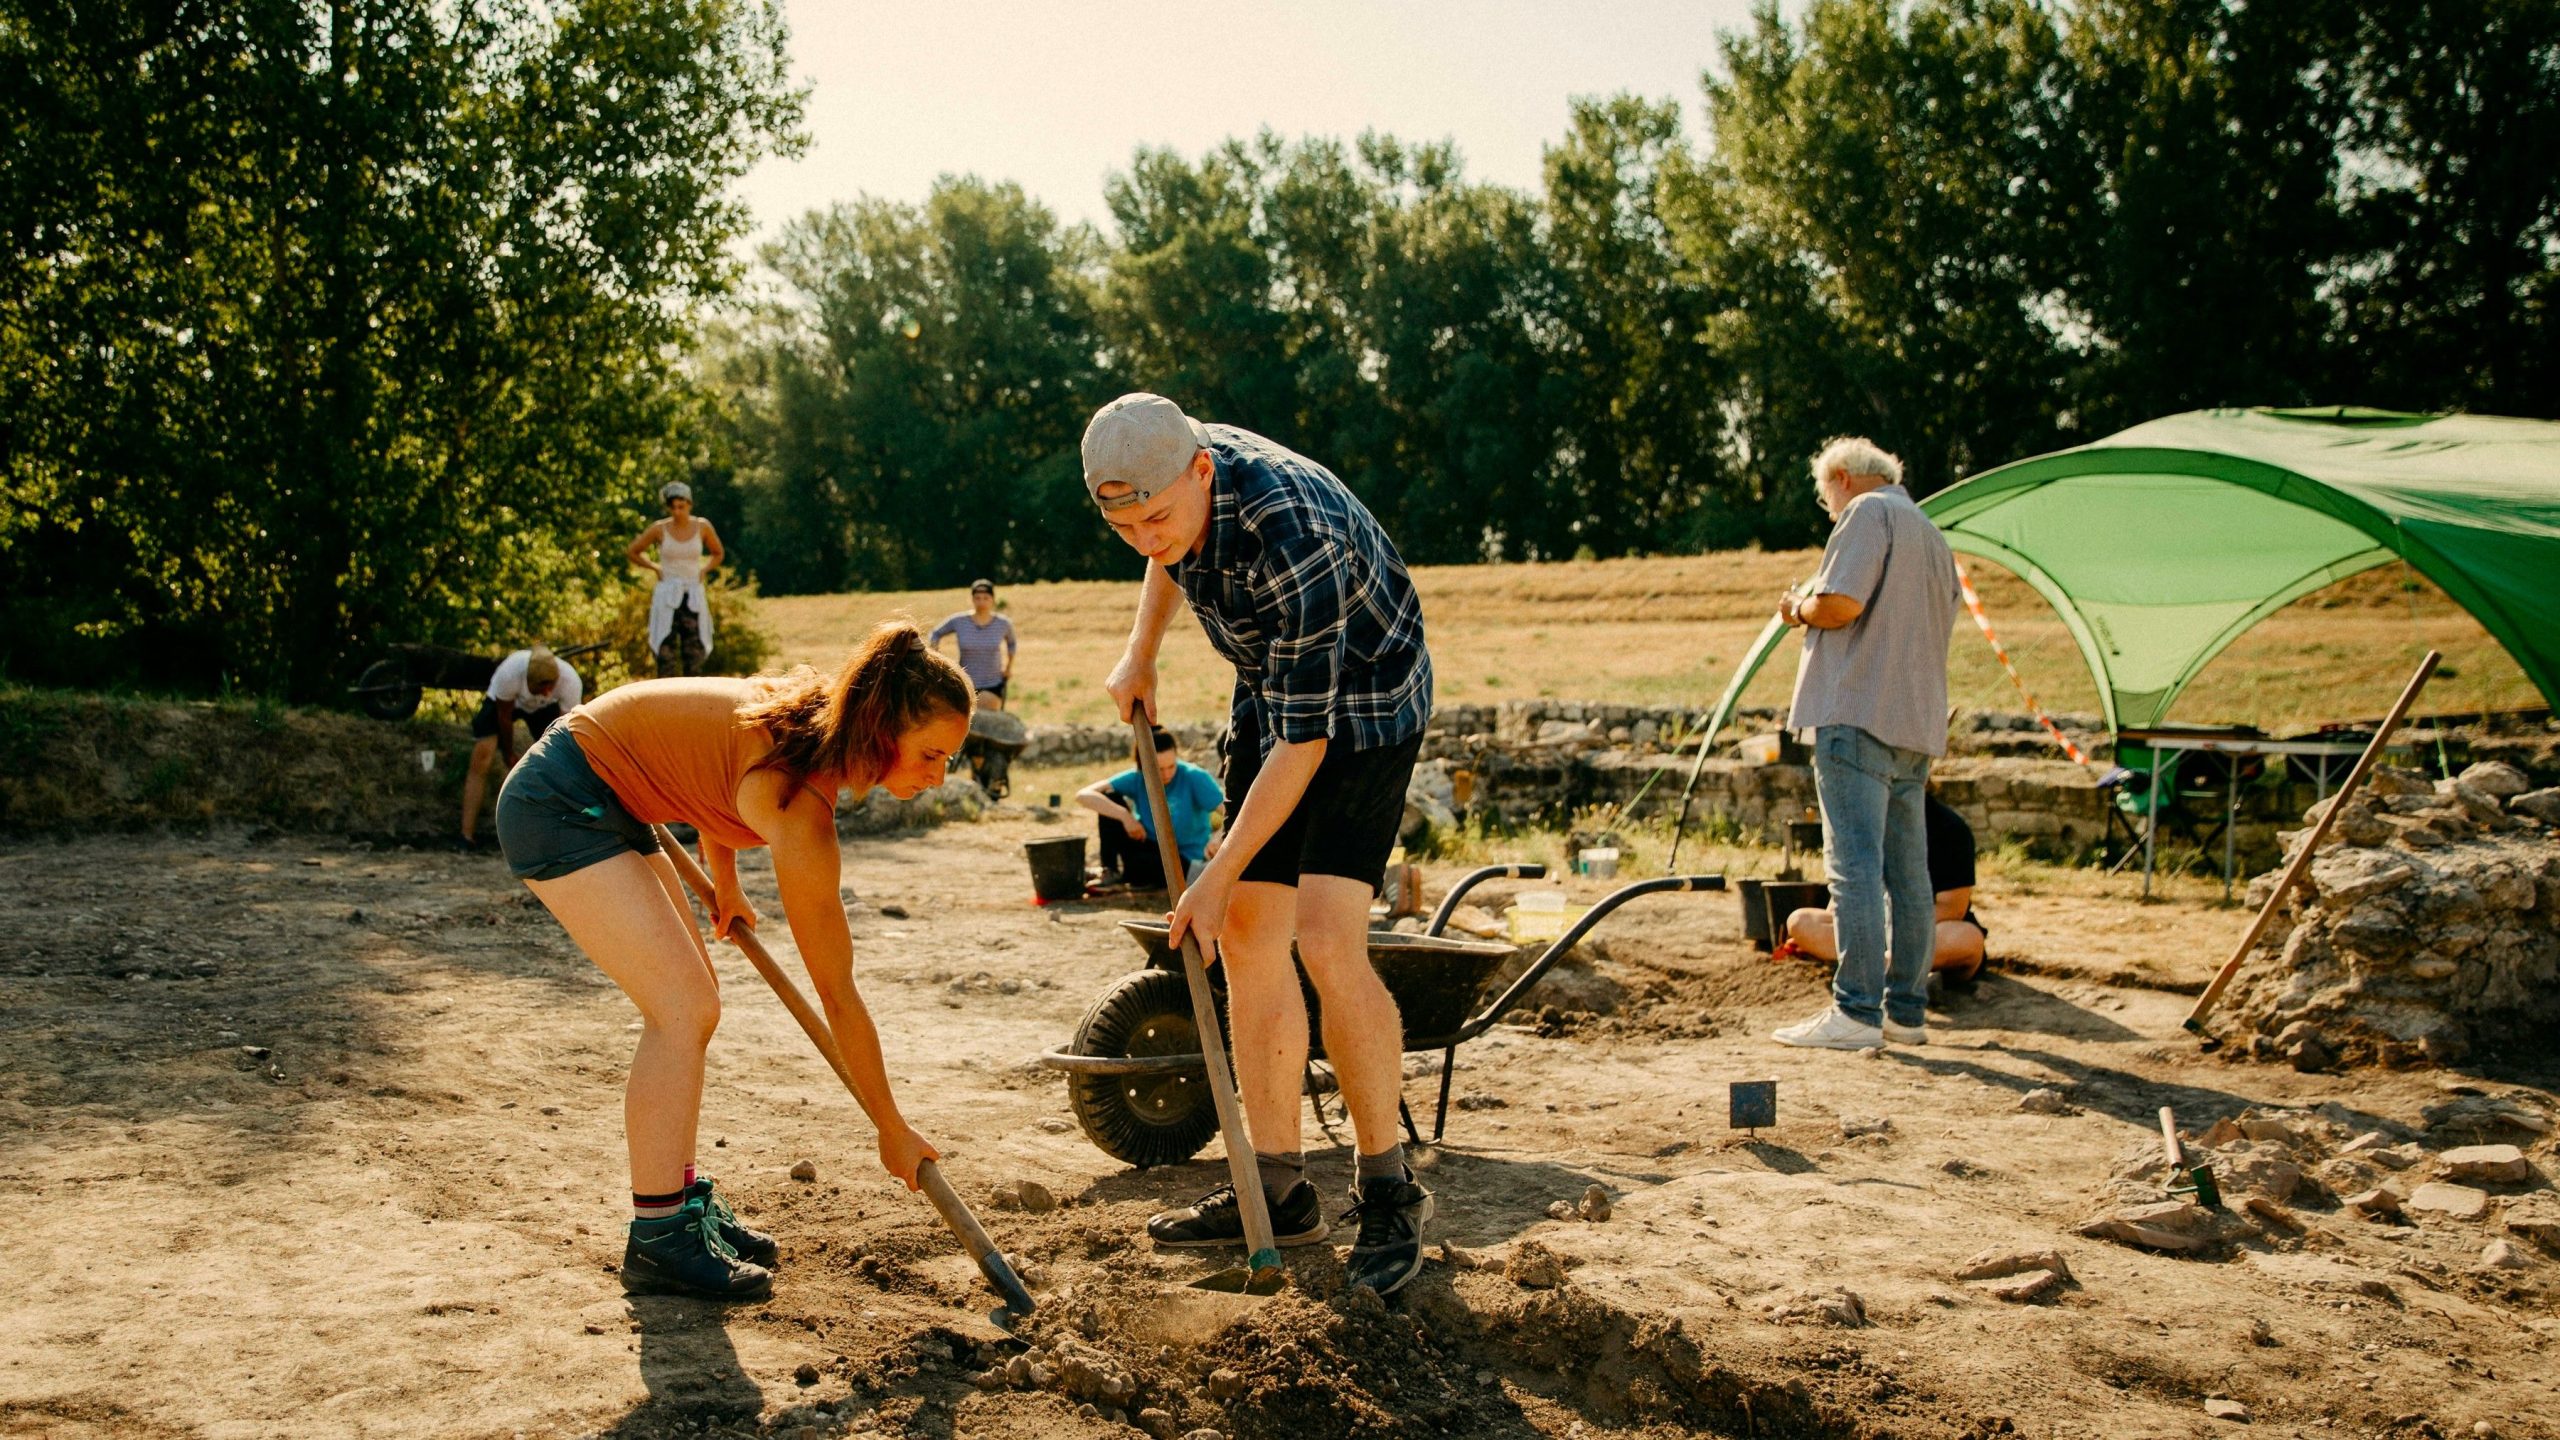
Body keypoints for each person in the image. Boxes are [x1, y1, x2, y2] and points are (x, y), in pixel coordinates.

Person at [493, 621, 971, 1300]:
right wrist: (891, 1129)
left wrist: (730, 882)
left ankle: (681, 1204)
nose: (938, 776)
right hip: (563, 801)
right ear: (880, 730)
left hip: (613, 793)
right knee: (682, 1009)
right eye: (930, 755)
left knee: (694, 1002)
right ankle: (660, 1238)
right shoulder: (798, 809)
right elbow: (836, 992)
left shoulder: (808, 717)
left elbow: (717, 771)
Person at [1083, 391, 1436, 1296]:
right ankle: (1278, 1190)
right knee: (1247, 936)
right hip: (1278, 690)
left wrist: (1214, 871)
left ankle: (1390, 1191)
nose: (1145, 535)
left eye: (1156, 515)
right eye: (1124, 524)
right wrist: (1143, 650)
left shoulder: (1294, 536)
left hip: (1366, 705)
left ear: (1201, 469)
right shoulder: (1170, 502)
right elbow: (1168, 553)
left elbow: (1308, 745)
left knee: (1324, 939)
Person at [1769, 436, 1959, 1052]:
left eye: (1826, 497)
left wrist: (1798, 607)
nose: (1828, 509)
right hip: (1916, 723)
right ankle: (1907, 1010)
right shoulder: (1932, 535)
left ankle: (1854, 1011)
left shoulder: (1866, 514)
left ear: (1844, 478)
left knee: (1852, 870)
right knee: (1910, 876)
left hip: (1858, 713)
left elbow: (1842, 604)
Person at [1779, 793, 1988, 988]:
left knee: (1968, 938)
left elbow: (1953, 908)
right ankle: (1884, 971)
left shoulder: (1949, 828)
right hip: (1869, 933)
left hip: (1922, 932)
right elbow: (1842, 896)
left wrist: (1894, 930)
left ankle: (1883, 969)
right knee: (1800, 921)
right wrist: (1824, 933)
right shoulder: (1860, 825)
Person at [459, 643, 583, 849]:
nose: (545, 691)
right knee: (483, 755)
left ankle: (556, 831)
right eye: (540, 686)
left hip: (546, 711)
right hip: (509, 705)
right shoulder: (510, 672)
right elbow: (504, 717)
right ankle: (466, 834)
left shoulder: (571, 681)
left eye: (550, 686)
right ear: (527, 679)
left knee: (560, 765)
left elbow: (566, 733)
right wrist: (508, 753)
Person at [1077, 726, 1224, 889]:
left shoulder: (1194, 776)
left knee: (1168, 869)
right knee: (1109, 797)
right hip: (1149, 849)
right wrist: (1124, 815)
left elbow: (1231, 812)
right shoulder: (1138, 777)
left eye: (1171, 767)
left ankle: (1141, 879)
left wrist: (1218, 836)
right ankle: (1110, 870)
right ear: (1144, 764)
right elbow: (1083, 795)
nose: (1167, 774)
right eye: (1159, 769)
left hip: (1183, 859)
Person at [628, 481, 724, 678]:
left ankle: (693, 700)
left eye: (681, 506)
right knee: (665, 654)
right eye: (673, 507)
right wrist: (654, 567)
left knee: (694, 655)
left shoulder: (702, 526)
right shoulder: (659, 528)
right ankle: (666, 702)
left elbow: (718, 553)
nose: (677, 511)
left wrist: (704, 569)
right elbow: (633, 551)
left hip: (692, 594)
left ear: (689, 504)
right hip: (667, 594)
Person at [929, 580, 1017, 708]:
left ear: (993, 600)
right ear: (972, 599)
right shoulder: (959, 621)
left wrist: (1009, 667)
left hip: (992, 684)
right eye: (977, 598)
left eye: (986, 598)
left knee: (983, 714)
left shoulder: (1003, 623)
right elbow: (935, 633)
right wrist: (937, 657)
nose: (981, 602)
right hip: (965, 683)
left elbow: (1012, 643)